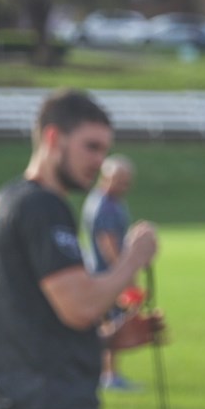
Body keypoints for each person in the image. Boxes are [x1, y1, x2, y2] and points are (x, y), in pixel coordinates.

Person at [0, 89, 159, 409]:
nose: (99, 162)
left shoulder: (7, 202)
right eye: (90, 147)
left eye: (104, 149)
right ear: (52, 138)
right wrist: (133, 258)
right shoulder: (43, 208)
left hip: (22, 408)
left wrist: (110, 342)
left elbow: (29, 321)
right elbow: (78, 305)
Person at [82, 155, 140, 391]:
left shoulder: (111, 201)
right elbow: (109, 244)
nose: (124, 186)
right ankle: (109, 374)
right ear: (106, 178)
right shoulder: (104, 204)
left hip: (106, 273)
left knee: (111, 322)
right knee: (113, 324)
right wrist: (125, 274)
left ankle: (108, 373)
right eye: (120, 181)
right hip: (106, 275)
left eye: (127, 182)